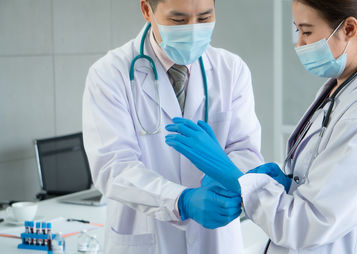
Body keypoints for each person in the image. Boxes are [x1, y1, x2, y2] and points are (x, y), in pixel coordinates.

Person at [165, 0, 357, 253]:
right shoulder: (341, 90)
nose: (299, 44)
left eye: (307, 31)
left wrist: (237, 179)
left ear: (349, 29)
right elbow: (332, 188)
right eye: (297, 30)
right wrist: (288, 183)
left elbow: (307, 224)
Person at [82, 0, 264, 253]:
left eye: (204, 18)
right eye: (178, 20)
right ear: (147, 10)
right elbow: (113, 166)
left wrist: (223, 179)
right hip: (146, 235)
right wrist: (182, 201)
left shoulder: (231, 69)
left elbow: (246, 148)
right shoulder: (110, 74)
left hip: (216, 238)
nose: (193, 30)